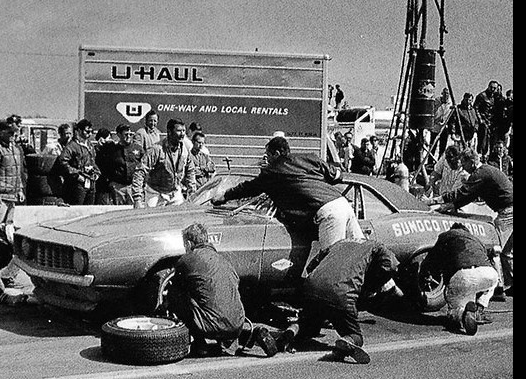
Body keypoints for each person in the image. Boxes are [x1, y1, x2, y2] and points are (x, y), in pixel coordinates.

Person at [212, 136, 364, 251]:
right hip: (342, 204)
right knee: (362, 252)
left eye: (268, 155)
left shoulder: (273, 171)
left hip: (328, 214)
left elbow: (249, 188)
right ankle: (386, 289)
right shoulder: (309, 158)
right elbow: (337, 175)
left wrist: (224, 196)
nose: (267, 159)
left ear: (276, 153)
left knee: (331, 263)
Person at [277, 239, 401, 364]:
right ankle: (347, 343)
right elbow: (392, 265)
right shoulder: (376, 246)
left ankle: (289, 333)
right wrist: (373, 283)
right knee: (356, 336)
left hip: (311, 288)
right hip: (342, 293)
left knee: (308, 323)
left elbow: (312, 265)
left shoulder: (340, 243)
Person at [166, 223, 279, 358]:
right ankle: (253, 333)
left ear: (189, 243)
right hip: (237, 322)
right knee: (216, 304)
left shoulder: (187, 259)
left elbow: (177, 288)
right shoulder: (224, 259)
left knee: (175, 294)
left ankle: (200, 344)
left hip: (208, 325)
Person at [429, 147, 513, 299]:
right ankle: (510, 284)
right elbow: (468, 195)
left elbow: (464, 193)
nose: (462, 165)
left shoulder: (481, 173)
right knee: (507, 252)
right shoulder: (486, 171)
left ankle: (498, 288)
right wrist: (453, 204)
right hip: (508, 208)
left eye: (463, 162)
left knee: (496, 247)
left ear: (471, 161)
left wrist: (438, 201)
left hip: (508, 211)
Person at [421, 223, 499, 335]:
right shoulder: (476, 240)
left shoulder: (445, 236)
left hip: (462, 275)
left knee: (453, 303)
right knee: (489, 284)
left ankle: (460, 314)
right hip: (488, 273)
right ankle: (479, 309)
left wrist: (426, 271)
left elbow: (432, 258)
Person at [132, 118, 197, 207]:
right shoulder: (156, 149)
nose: (182, 134)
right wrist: (137, 199)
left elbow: (190, 171)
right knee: (150, 219)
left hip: (175, 193)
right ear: (169, 132)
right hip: (155, 193)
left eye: (183, 131)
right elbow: (140, 172)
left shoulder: (184, 150)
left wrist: (192, 191)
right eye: (178, 131)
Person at [0, 120, 26, 224]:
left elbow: (16, 171)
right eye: (10, 132)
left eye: (15, 132)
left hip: (12, 195)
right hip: (0, 196)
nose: (14, 135)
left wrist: (19, 189)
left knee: (8, 225)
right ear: (0, 132)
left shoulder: (15, 149)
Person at [95, 124, 144, 205]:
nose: (128, 136)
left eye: (130, 134)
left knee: (134, 212)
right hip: (117, 187)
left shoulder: (138, 149)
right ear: (119, 135)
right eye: (126, 134)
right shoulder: (111, 148)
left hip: (133, 187)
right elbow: (99, 161)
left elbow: (144, 166)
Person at [56, 118, 100, 205]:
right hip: (77, 184)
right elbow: (62, 162)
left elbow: (93, 161)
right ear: (79, 131)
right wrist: (77, 175)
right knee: (77, 208)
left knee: (89, 211)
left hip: (90, 182)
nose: (89, 134)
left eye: (91, 132)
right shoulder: (71, 146)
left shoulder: (90, 145)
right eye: (87, 131)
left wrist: (97, 172)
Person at [474, 81, 501, 155]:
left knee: (492, 142)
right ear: (488, 86)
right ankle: (481, 155)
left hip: (492, 123)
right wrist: (480, 120)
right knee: (482, 141)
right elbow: (476, 108)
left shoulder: (496, 97)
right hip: (483, 122)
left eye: (494, 88)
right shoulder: (481, 96)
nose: (492, 89)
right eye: (491, 87)